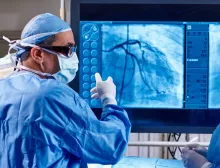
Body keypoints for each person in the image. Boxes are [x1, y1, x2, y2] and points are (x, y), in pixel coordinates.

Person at [0, 13, 131, 167]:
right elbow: (110, 147)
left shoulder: (3, 88)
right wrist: (110, 101)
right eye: (67, 49)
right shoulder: (52, 96)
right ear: (38, 54)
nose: (73, 57)